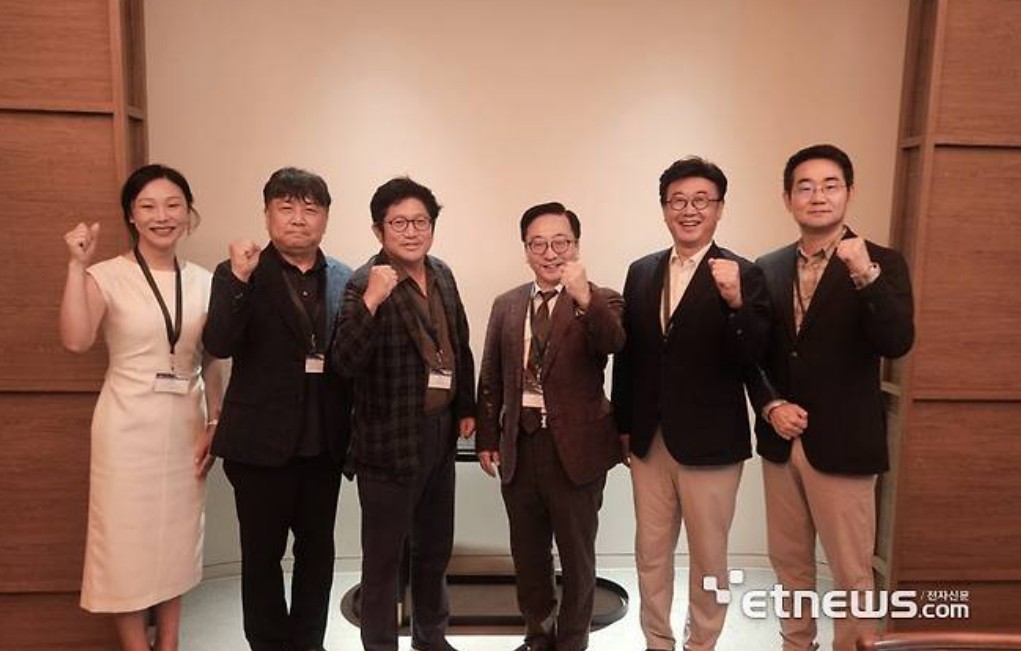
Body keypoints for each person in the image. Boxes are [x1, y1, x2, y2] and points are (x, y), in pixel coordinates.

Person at [747, 144, 914, 651]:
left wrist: (866, 276)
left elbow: (896, 341)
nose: (817, 196)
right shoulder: (768, 267)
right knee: (789, 565)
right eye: (805, 187)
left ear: (849, 192)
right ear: (788, 199)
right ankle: (796, 645)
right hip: (782, 441)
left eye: (830, 185)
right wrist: (770, 406)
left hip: (845, 442)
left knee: (851, 572)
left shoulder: (882, 262)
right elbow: (752, 354)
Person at [60, 164, 223, 651]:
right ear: (131, 216)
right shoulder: (106, 275)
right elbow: (76, 339)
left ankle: (169, 643)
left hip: (185, 429)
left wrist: (215, 420)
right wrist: (76, 266)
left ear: (189, 214)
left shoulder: (205, 282)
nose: (162, 216)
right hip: (126, 429)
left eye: (173, 205)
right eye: (148, 206)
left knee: (174, 543)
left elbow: (212, 360)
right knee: (125, 545)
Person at [611, 157, 771, 651]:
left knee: (709, 558)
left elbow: (755, 354)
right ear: (664, 209)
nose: (689, 210)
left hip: (712, 443)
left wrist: (736, 302)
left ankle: (702, 642)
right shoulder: (641, 271)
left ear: (719, 208)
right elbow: (629, 356)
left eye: (702, 200)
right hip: (650, 438)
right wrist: (623, 425)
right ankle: (656, 641)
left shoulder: (745, 273)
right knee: (650, 553)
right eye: (678, 200)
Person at [202, 167, 352, 651]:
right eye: (286, 207)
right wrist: (239, 280)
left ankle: (309, 643)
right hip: (258, 445)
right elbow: (219, 343)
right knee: (261, 557)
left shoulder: (344, 278)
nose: (298, 219)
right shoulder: (240, 273)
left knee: (318, 554)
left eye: (310, 209)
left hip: (323, 443)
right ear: (267, 214)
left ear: (325, 218)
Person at [333, 177, 475, 651]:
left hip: (440, 433)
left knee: (434, 550)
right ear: (379, 230)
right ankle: (380, 645)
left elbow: (459, 344)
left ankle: (431, 638)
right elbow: (344, 362)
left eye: (420, 221)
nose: (411, 232)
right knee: (383, 561)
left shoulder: (442, 274)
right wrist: (371, 301)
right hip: (388, 441)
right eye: (399, 223)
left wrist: (466, 407)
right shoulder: (363, 282)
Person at [476, 202, 624, 651]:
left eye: (561, 242)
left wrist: (584, 297)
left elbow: (613, 342)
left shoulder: (602, 299)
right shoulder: (507, 304)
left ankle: (573, 640)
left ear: (576, 246)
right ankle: (538, 635)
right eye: (538, 244)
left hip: (576, 450)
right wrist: (487, 437)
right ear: (526, 250)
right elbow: (491, 377)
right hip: (520, 445)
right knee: (529, 553)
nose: (550, 252)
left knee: (577, 555)